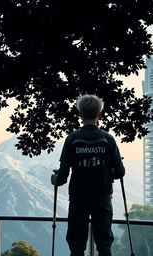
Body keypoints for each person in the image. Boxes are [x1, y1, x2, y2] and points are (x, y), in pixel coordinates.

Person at [51, 94, 125, 256]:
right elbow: (120, 172)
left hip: (78, 200)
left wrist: (55, 179)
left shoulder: (72, 139)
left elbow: (62, 176)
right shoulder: (108, 139)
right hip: (103, 199)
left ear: (80, 114)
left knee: (77, 245)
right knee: (104, 245)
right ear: (99, 115)